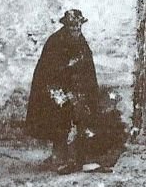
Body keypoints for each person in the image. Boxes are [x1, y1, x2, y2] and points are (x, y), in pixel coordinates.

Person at [25, 9, 100, 174]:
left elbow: (87, 66)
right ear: (66, 26)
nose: (76, 29)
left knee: (81, 114)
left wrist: (85, 90)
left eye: (79, 26)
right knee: (60, 116)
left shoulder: (80, 41)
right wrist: (69, 67)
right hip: (53, 87)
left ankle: (77, 157)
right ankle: (60, 157)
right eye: (73, 26)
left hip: (73, 87)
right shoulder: (55, 42)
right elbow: (50, 71)